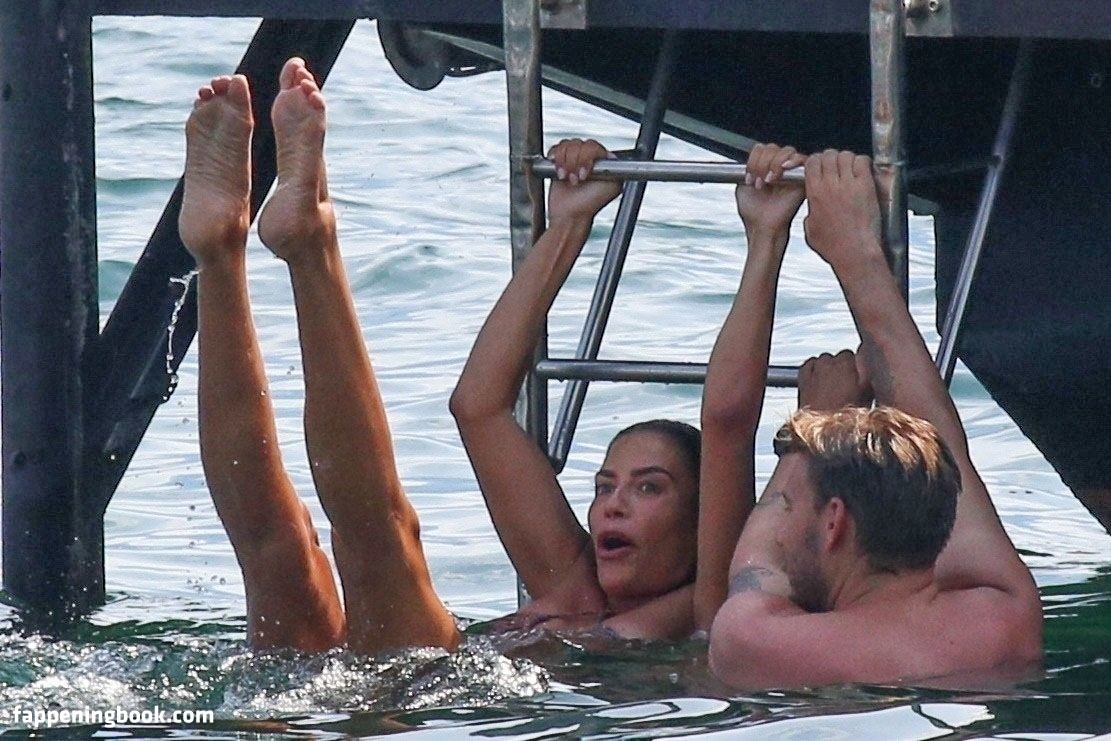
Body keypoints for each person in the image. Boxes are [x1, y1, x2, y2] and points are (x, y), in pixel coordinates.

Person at [179, 59, 775, 652]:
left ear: (703, 525)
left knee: (372, 541)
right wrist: (568, 226)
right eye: (604, 486)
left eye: (649, 489)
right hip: (394, 687)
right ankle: (222, 247)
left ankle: (293, 244)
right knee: (281, 552)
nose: (613, 507)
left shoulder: (710, 616)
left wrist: (765, 240)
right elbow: (478, 404)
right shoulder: (573, 582)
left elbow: (727, 422)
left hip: (418, 688)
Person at [706, 148, 1044, 688]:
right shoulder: (1003, 622)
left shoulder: (760, 643)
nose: (781, 518)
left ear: (834, 522)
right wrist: (856, 253)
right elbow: (943, 437)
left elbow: (758, 561)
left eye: (792, 505)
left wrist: (811, 421)